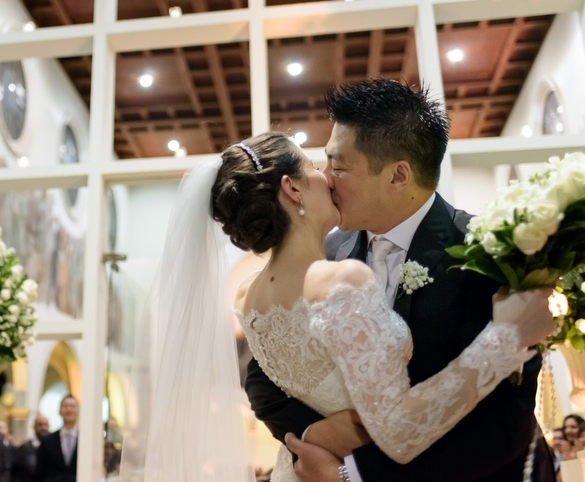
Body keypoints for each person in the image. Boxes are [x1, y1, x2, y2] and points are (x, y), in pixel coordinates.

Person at [118, 80, 555, 482]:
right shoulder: (332, 253)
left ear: (398, 174)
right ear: (291, 190)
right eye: (320, 162)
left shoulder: (483, 251)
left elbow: (506, 417)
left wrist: (352, 472)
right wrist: (315, 436)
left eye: (337, 165)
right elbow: (263, 381)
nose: (326, 175)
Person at [35, 395, 79, 482]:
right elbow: (39, 472)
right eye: (65, 406)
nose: (69, 410)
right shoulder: (47, 441)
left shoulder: (85, 442)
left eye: (73, 407)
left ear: (78, 411)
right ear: (60, 411)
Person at [11, 414, 50, 482]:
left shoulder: (53, 446)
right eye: (40, 425)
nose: (43, 428)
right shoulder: (24, 448)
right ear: (34, 427)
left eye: (45, 425)